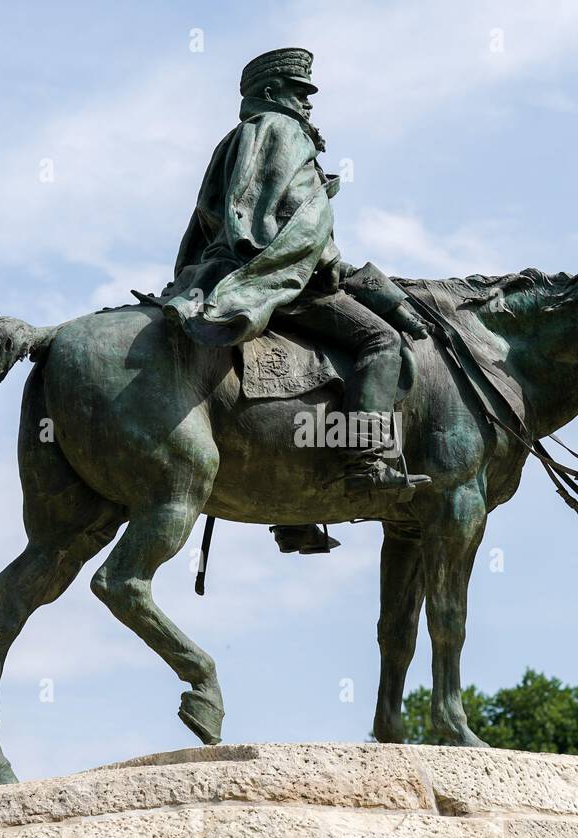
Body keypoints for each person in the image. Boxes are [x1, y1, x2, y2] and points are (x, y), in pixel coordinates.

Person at [160, 47, 429, 502]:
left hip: (221, 274)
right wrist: (354, 280)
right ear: (270, 93)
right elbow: (294, 229)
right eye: (299, 93)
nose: (307, 105)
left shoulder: (234, 140)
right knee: (381, 343)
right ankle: (364, 462)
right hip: (279, 281)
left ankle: (295, 515)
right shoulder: (283, 131)